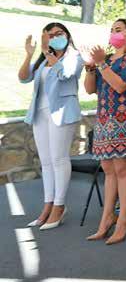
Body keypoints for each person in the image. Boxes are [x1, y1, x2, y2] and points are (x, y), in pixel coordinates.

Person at [82, 19, 126, 245]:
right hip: (104, 119)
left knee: (122, 169)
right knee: (108, 170)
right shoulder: (107, 59)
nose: (113, 33)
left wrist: (101, 64)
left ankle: (123, 218)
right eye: (112, 30)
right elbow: (90, 89)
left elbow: (120, 86)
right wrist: (91, 68)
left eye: (118, 30)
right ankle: (107, 217)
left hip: (123, 120)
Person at [18, 22, 83, 230]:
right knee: (46, 162)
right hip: (40, 113)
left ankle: (59, 205)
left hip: (63, 113)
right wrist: (30, 55)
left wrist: (50, 55)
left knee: (59, 159)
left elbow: (66, 74)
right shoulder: (43, 61)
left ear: (67, 35)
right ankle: (48, 205)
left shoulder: (74, 56)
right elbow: (23, 78)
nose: (54, 37)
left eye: (58, 33)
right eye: (50, 34)